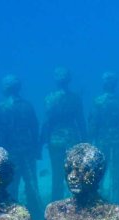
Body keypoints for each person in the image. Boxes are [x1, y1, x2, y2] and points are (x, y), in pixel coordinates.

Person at [0, 75, 42, 216]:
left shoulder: (1, 107)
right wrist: (36, 148)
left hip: (11, 151)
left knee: (12, 182)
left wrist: (2, 152)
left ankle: (12, 211)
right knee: (31, 182)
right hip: (27, 149)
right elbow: (35, 127)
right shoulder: (27, 105)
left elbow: (0, 131)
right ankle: (36, 211)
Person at [41, 67, 87, 201]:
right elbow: (81, 121)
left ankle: (57, 202)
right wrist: (85, 140)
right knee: (75, 171)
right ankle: (77, 200)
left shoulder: (49, 98)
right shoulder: (76, 98)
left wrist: (42, 141)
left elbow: (47, 122)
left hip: (55, 139)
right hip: (72, 138)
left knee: (56, 173)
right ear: (69, 80)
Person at [88, 71, 119, 202]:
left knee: (100, 169)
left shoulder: (98, 101)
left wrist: (90, 141)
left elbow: (93, 123)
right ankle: (117, 197)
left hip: (102, 140)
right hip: (118, 139)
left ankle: (98, 197)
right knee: (117, 169)